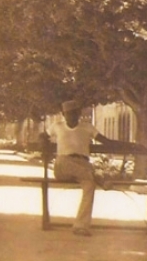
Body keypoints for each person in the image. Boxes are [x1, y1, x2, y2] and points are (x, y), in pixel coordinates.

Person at [45, 99, 120, 237]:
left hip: (83, 165)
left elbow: (106, 141)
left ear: (79, 114)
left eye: (75, 113)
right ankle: (101, 180)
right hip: (63, 165)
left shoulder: (87, 127)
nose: (72, 116)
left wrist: (126, 145)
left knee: (89, 186)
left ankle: (81, 226)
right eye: (69, 113)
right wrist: (42, 142)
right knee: (83, 170)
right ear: (63, 114)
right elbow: (43, 136)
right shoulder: (57, 126)